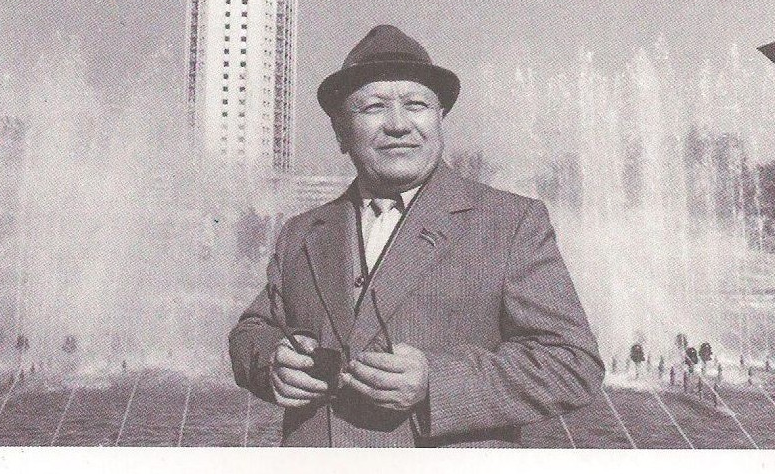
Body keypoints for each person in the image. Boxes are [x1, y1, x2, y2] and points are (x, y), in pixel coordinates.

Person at [228, 25, 604, 447]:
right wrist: (271, 361)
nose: (398, 125)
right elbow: (252, 329)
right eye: (373, 107)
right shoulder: (301, 232)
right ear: (340, 133)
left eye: (416, 105)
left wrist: (435, 383)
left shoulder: (510, 222)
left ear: (439, 119)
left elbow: (573, 363)